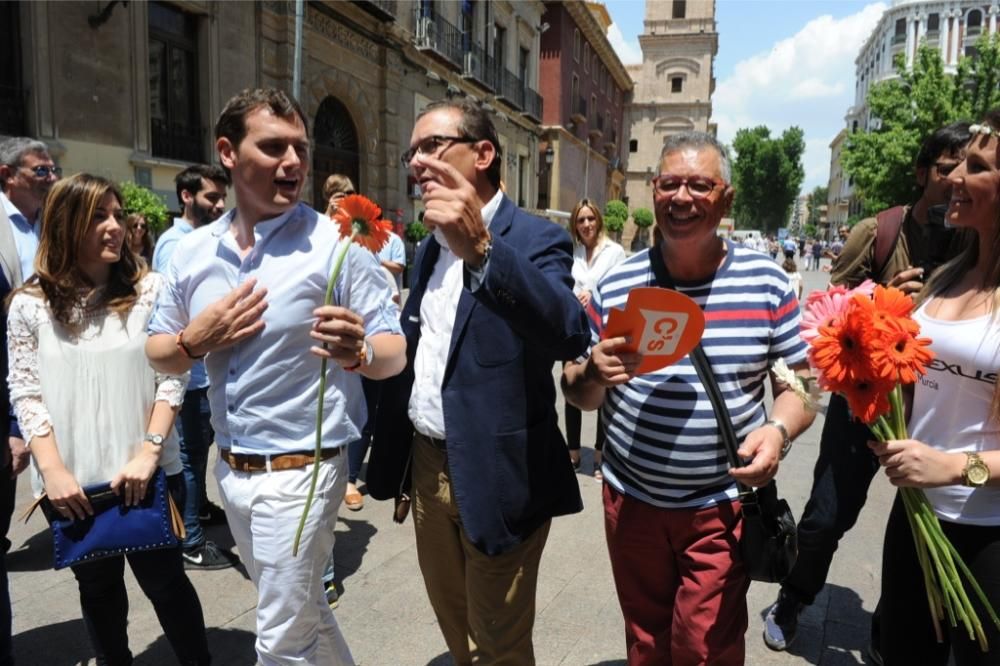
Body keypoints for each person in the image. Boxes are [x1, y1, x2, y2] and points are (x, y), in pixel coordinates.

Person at [146, 87, 406, 665]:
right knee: (304, 612)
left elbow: (395, 350)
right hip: (231, 472)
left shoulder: (335, 246)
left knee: (280, 642)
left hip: (304, 474)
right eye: (274, 147)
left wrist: (360, 350)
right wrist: (196, 340)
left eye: (301, 148)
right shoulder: (190, 255)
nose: (294, 162)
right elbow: (159, 352)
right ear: (228, 152)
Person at [562, 131, 816, 665]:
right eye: (670, 183)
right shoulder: (618, 283)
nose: (682, 197)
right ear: (653, 191)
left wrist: (778, 430)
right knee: (646, 640)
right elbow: (577, 392)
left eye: (700, 185)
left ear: (726, 198)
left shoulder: (767, 283)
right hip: (629, 501)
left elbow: (802, 385)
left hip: (719, 507)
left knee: (706, 647)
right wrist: (593, 372)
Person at [367, 99, 589, 664]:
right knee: (454, 620)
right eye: (410, 152)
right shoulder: (427, 250)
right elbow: (424, 352)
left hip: (499, 473)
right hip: (426, 468)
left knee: (500, 641)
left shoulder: (537, 239)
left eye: (432, 146)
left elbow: (568, 331)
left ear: (484, 154)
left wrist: (483, 251)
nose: (417, 162)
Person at [763, 121, 973, 656]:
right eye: (947, 169)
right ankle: (794, 596)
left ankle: (898, 626)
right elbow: (826, 311)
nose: (956, 182)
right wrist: (880, 297)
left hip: (936, 411)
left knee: (927, 523)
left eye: (967, 169)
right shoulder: (879, 232)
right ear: (924, 171)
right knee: (830, 514)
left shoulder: (976, 238)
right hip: (865, 404)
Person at [8, 173, 210, 665]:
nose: (114, 227)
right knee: (97, 591)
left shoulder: (150, 291)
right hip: (73, 483)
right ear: (64, 224)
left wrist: (149, 451)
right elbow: (26, 391)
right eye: (98, 215)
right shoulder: (29, 305)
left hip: (147, 473)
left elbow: (172, 376)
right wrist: (53, 471)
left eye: (118, 215)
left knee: (165, 583)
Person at [869, 113, 1000, 665]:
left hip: (987, 533)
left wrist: (952, 467)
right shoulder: (946, 274)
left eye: (977, 166)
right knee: (901, 652)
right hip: (916, 514)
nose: (953, 178)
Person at [151, 164, 233, 571]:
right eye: (211, 197)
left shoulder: (206, 239)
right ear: (186, 196)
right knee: (185, 456)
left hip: (200, 376)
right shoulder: (177, 245)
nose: (220, 205)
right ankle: (190, 541)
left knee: (197, 453)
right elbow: (167, 316)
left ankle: (199, 511)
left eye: (222, 197)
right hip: (185, 375)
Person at [0, 135, 58, 664]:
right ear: (7, 175)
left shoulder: (47, 227)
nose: (53, 178)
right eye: (42, 172)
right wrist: (11, 426)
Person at [565, 198, 625, 480]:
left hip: (604, 329)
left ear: (598, 220)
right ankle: (573, 452)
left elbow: (623, 289)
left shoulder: (615, 252)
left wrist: (595, 293)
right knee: (571, 384)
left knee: (603, 387)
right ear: (575, 225)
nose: (586, 224)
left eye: (590, 218)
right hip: (575, 328)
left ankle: (600, 456)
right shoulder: (572, 252)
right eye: (581, 220)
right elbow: (562, 283)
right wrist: (573, 295)